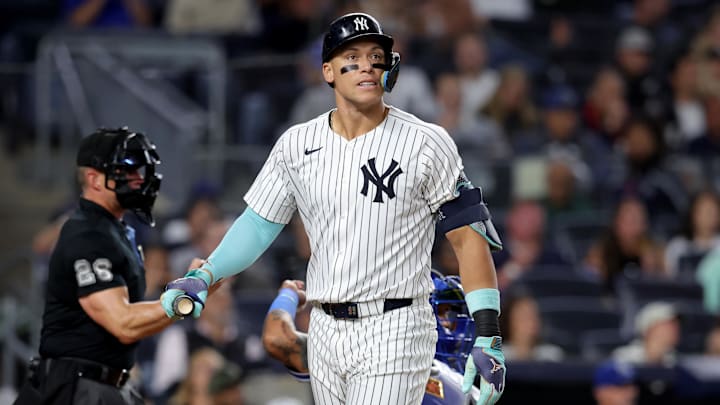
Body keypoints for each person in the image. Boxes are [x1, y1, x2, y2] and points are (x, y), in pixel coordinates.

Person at [161, 12, 506, 405]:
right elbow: (258, 225)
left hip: (395, 325)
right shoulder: (296, 144)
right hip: (325, 328)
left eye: (375, 56)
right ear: (328, 71)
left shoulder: (427, 142)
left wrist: (489, 333)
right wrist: (206, 273)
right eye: (352, 57)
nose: (365, 66)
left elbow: (468, 237)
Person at [12, 127, 181, 405]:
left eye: (141, 170)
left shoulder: (117, 230)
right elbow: (123, 323)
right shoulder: (87, 235)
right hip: (76, 390)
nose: (139, 179)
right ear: (94, 178)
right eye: (127, 170)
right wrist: (185, 297)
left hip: (105, 385)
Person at [262, 273, 482, 404]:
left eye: (451, 316)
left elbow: (277, 339)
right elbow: (278, 340)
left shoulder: (470, 390)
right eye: (441, 313)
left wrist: (289, 294)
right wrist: (288, 294)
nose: (447, 326)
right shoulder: (365, 350)